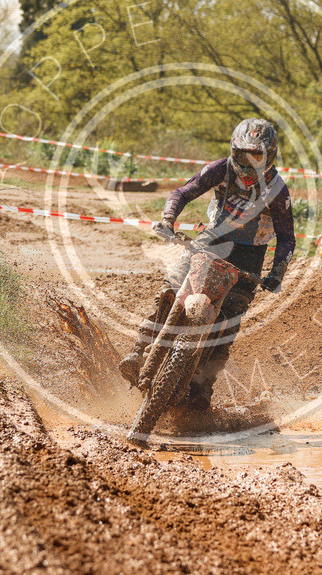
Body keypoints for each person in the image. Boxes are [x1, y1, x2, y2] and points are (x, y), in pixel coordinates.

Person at [118, 118, 295, 411]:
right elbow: (182, 193)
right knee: (170, 290)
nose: (249, 163)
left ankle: (202, 390)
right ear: (233, 151)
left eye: (257, 156)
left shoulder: (277, 189)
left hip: (250, 256)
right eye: (243, 155)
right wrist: (167, 220)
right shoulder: (221, 168)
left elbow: (287, 238)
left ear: (270, 155)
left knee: (228, 324)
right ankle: (138, 353)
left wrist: (277, 273)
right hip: (211, 241)